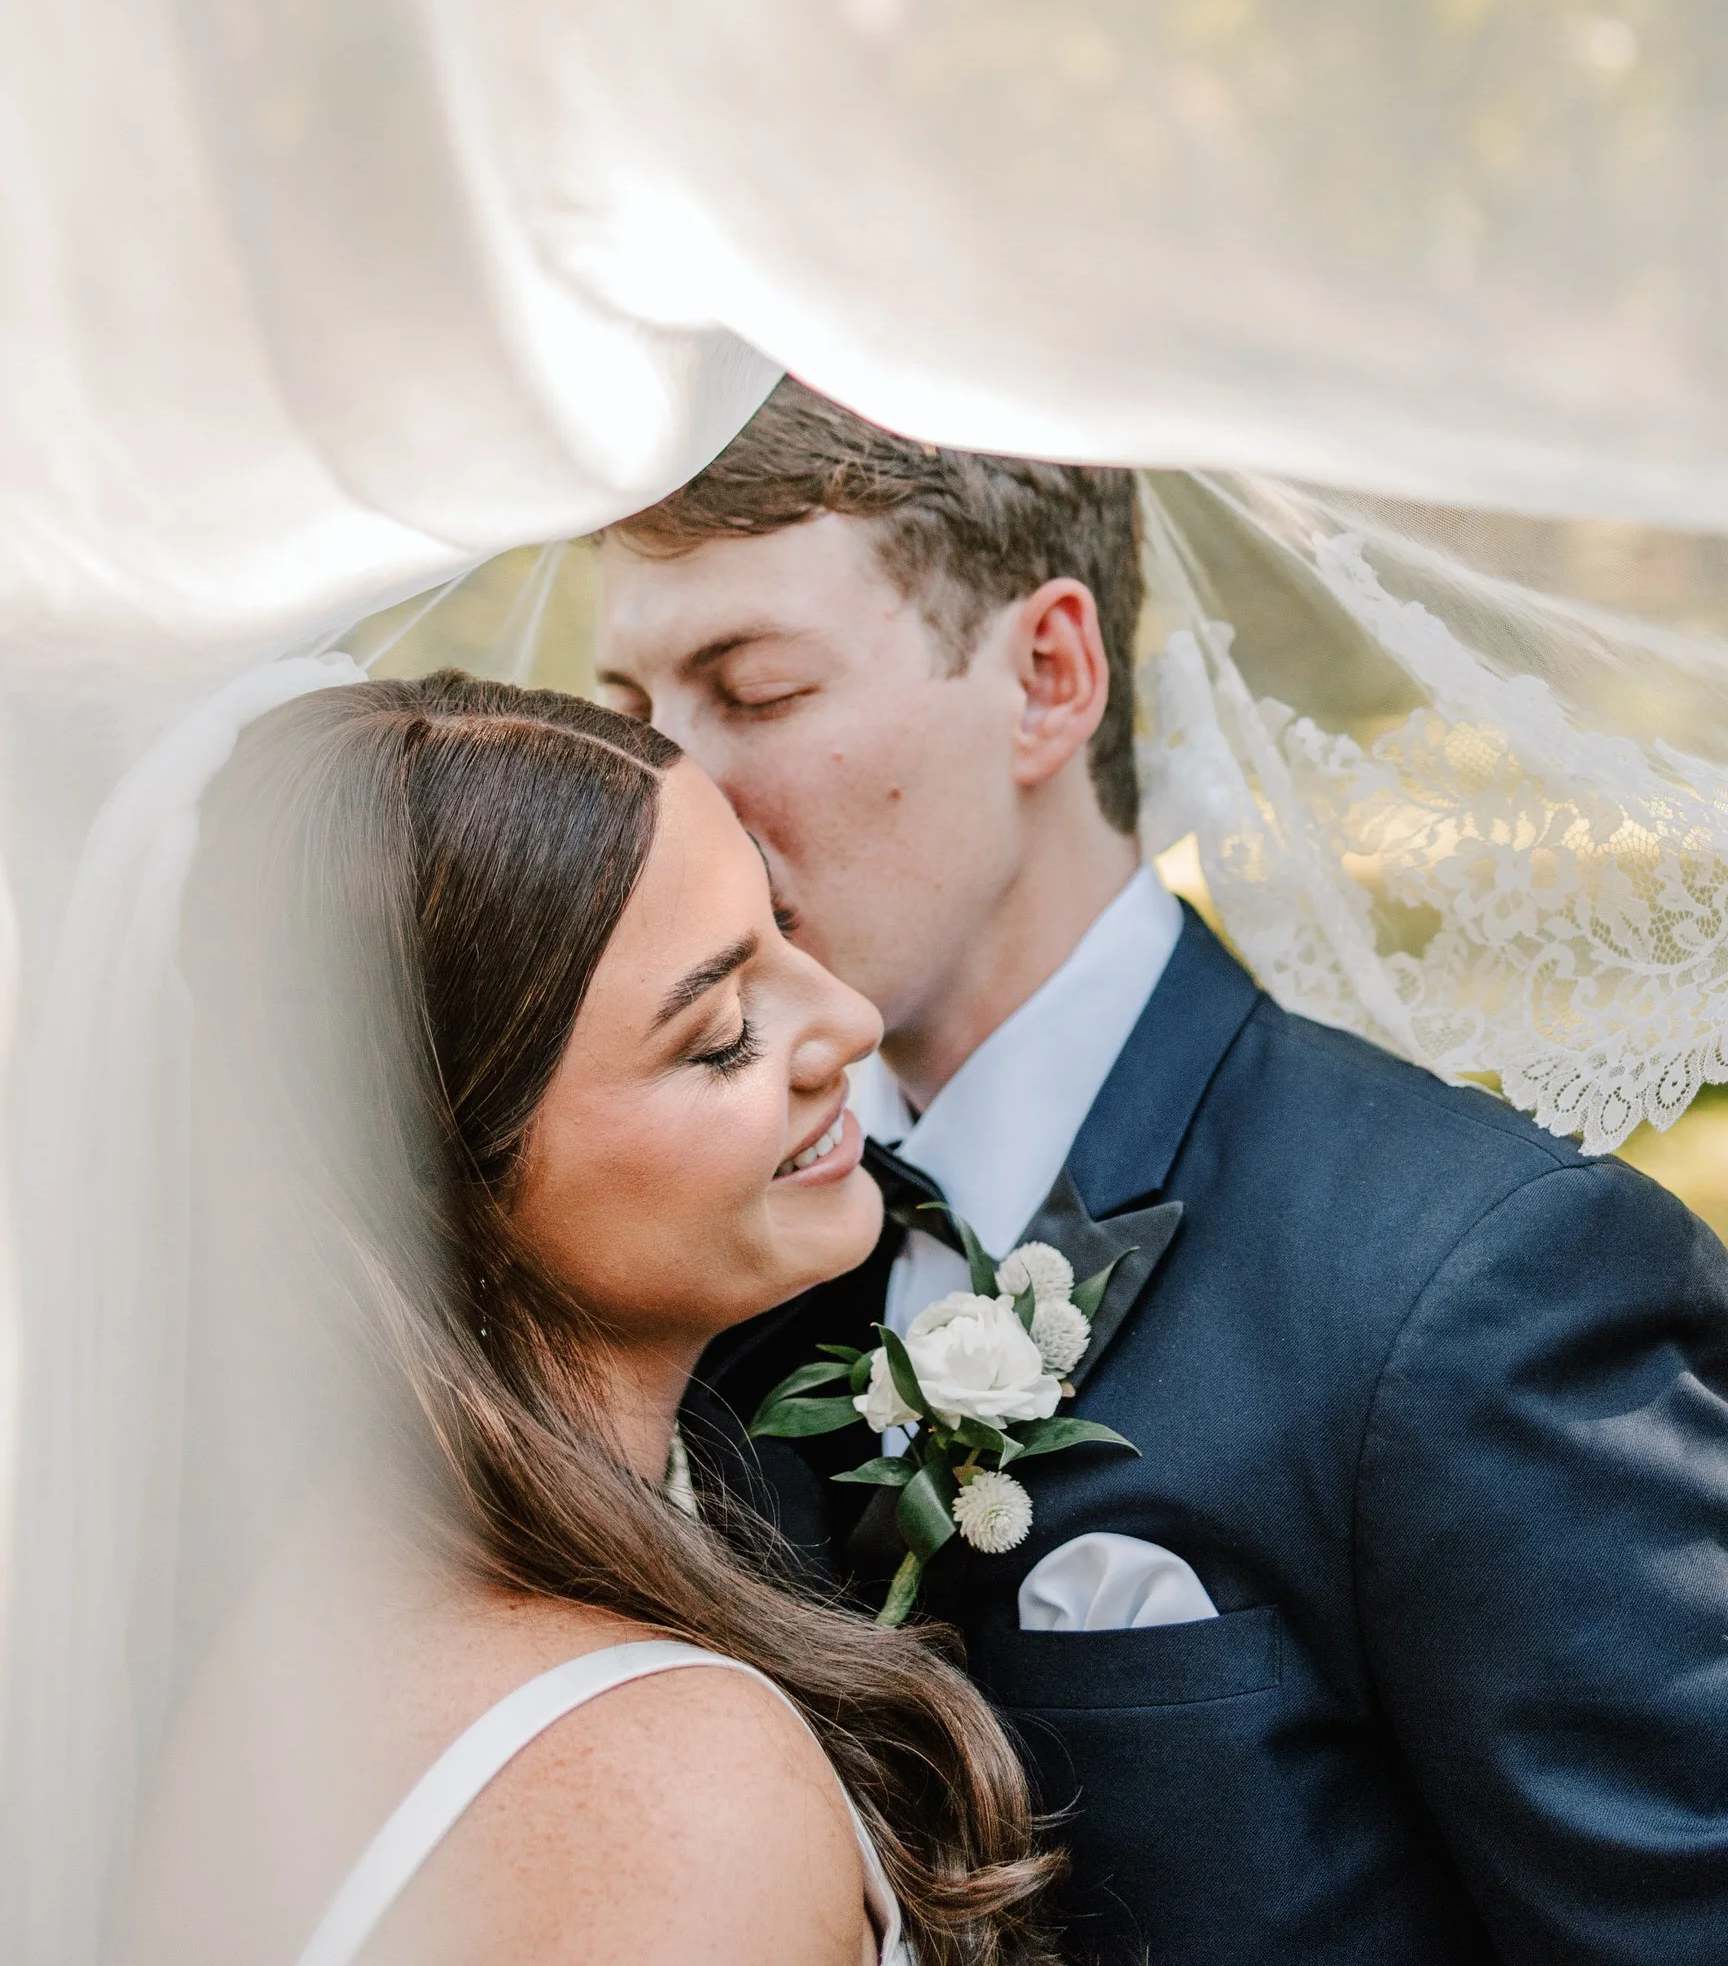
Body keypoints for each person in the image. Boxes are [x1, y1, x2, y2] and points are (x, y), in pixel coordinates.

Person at [597, 378, 1728, 1966]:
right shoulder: (696, 1271)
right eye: (635, 714)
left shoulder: (1473, 1281)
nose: (677, 799)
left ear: (1048, 678)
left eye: (758, 690)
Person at [127, 672, 1062, 1966]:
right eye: (722, 1030)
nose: (845, 1020)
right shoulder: (675, 1792)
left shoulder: (293, 1626)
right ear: (445, 1187)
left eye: (783, 925)